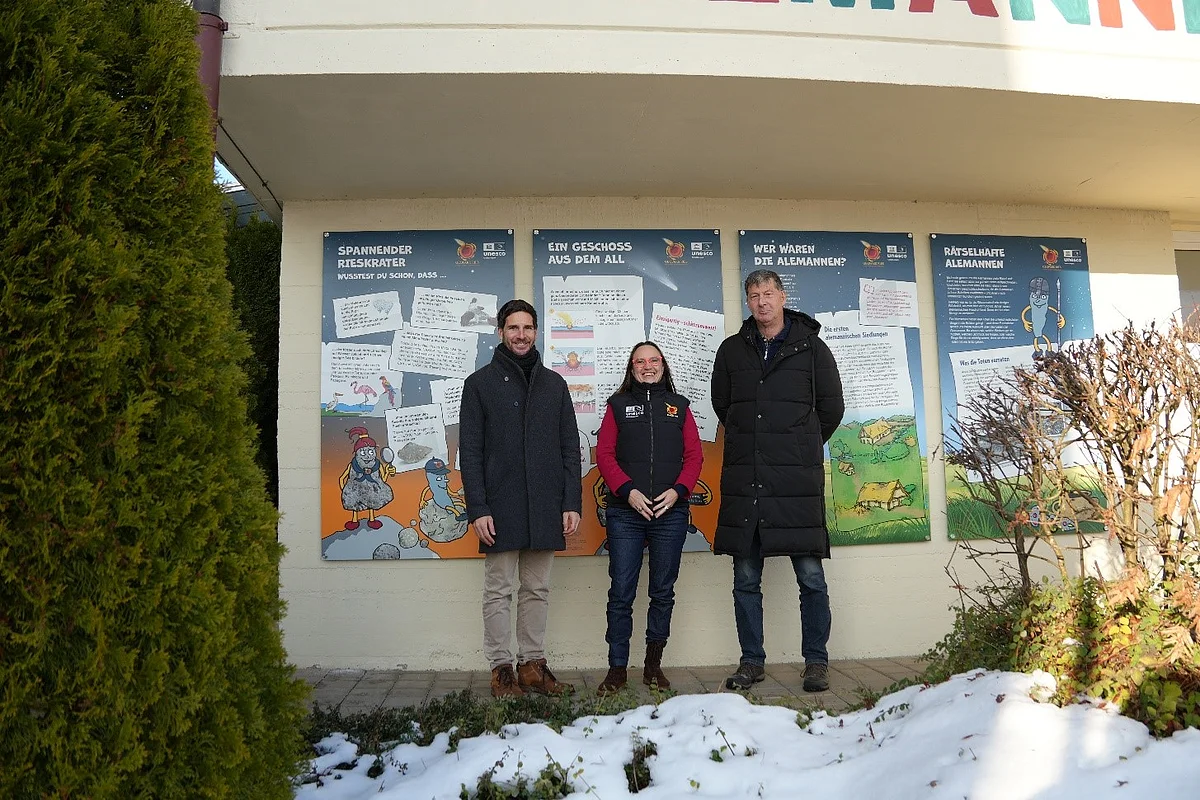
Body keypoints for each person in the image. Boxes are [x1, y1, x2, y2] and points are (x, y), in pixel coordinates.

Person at [711, 270, 845, 693]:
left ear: (782, 297)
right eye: (754, 295)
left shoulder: (812, 349)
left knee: (811, 577)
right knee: (746, 579)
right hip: (747, 482)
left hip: (796, 483)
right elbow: (723, 405)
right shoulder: (732, 350)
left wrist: (800, 445)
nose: (762, 302)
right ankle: (751, 661)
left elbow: (832, 407)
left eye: (769, 293)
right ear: (748, 303)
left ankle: (816, 662)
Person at [460, 299, 583, 698]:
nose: (521, 335)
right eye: (513, 328)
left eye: (527, 328)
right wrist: (477, 508)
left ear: (536, 331)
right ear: (500, 332)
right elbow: (471, 452)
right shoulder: (479, 385)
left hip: (546, 504)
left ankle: (532, 665)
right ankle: (501, 671)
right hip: (500, 506)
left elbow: (570, 449)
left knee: (537, 588)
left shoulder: (555, 384)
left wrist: (571, 502)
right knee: (498, 589)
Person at [594, 342, 703, 694]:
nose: (647, 366)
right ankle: (617, 670)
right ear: (632, 368)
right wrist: (628, 491)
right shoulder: (617, 406)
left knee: (662, 592)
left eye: (653, 360)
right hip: (626, 513)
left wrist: (678, 492)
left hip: (670, 514)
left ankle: (653, 667)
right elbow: (605, 454)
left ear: (663, 365)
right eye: (640, 361)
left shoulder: (680, 406)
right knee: (621, 592)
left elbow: (694, 456)